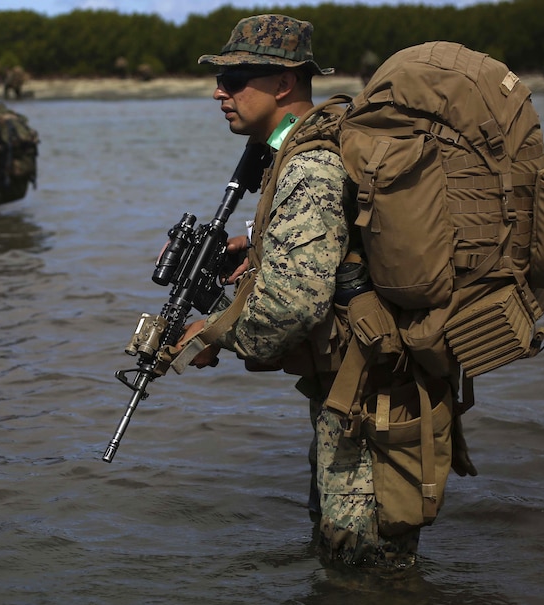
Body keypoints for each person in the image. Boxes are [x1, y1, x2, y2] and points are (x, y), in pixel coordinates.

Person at [178, 14, 437, 569]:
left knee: (365, 571)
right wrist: (252, 246)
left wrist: (214, 333)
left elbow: (293, 305)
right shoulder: (304, 149)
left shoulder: (311, 164)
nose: (219, 92)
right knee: (347, 559)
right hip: (354, 393)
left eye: (238, 78)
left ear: (285, 82)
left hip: (368, 403)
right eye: (221, 78)